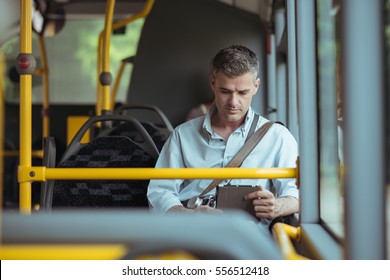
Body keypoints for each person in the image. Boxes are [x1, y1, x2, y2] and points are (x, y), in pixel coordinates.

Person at [147, 45, 299, 230]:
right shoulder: (182, 135)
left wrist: (277, 206)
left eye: (243, 92)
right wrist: (191, 215)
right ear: (213, 83)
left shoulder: (278, 137)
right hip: (192, 238)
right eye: (225, 91)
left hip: (250, 244)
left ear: (256, 86)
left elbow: (297, 194)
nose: (233, 103)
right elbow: (159, 192)